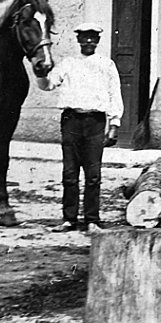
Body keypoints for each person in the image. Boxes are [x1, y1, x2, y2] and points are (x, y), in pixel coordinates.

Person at [36, 22, 124, 233]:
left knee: (93, 174)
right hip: (71, 121)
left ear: (98, 40)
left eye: (92, 38)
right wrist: (40, 74)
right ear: (78, 40)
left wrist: (114, 124)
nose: (88, 42)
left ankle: (92, 219)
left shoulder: (106, 64)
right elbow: (49, 85)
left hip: (95, 122)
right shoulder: (68, 64)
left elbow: (115, 94)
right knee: (70, 172)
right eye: (84, 38)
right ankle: (69, 219)